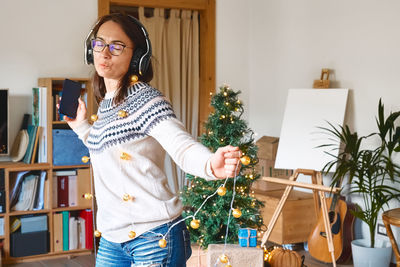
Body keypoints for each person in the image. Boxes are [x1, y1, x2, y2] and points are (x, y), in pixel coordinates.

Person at [64, 13, 241, 267]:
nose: (104, 52)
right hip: (112, 239)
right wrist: (81, 125)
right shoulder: (106, 104)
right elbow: (106, 150)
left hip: (155, 236)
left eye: (116, 46)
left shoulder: (146, 100)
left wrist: (210, 164)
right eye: (99, 43)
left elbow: (181, 145)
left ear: (137, 57)